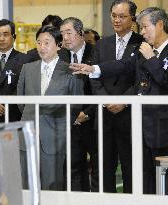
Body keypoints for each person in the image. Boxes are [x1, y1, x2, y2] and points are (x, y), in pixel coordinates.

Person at [70, 7, 168, 194]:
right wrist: (94, 69)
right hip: (140, 128)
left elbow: (167, 81)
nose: (142, 32)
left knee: (165, 185)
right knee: (143, 183)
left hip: (165, 130)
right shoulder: (143, 52)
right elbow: (123, 66)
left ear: (159, 25)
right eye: (140, 28)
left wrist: (151, 58)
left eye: (145, 27)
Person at [17, 25, 83, 190]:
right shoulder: (27, 69)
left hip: (55, 136)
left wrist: (62, 127)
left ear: (59, 45)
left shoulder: (71, 71)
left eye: (47, 42)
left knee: (52, 185)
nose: (42, 47)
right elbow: (20, 101)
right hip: (28, 134)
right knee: (26, 184)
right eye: (39, 43)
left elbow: (75, 105)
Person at [91, 0, 143, 193]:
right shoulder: (102, 44)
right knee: (104, 169)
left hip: (129, 114)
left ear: (133, 18)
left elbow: (141, 79)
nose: (117, 20)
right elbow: (94, 77)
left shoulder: (142, 43)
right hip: (105, 115)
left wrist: (123, 101)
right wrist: (106, 100)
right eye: (114, 15)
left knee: (131, 169)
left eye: (122, 16)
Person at [59, 17, 98, 192]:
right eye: (62, 34)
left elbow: (102, 87)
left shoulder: (97, 52)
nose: (65, 37)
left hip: (95, 119)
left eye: (69, 33)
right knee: (73, 168)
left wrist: (88, 113)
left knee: (99, 167)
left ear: (80, 33)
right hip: (69, 121)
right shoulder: (59, 56)